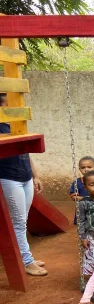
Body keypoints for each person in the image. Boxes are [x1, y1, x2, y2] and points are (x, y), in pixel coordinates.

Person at [0, 93, 46, 276]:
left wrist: (35, 176)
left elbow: (27, 153)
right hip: (8, 178)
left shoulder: (18, 125)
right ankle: (27, 261)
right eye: (10, 103)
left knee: (22, 221)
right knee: (18, 222)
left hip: (25, 176)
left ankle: (25, 257)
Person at [69, 156, 94, 224]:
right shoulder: (77, 183)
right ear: (79, 169)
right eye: (83, 168)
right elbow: (74, 197)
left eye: (89, 167)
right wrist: (88, 199)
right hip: (82, 211)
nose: (86, 169)